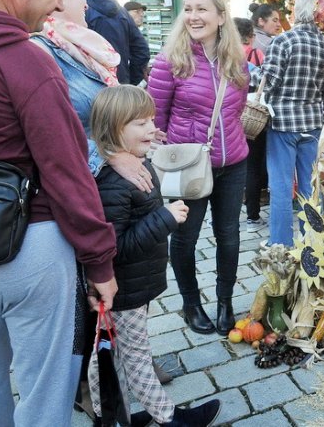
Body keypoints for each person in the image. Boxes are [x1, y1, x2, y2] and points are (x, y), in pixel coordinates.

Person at [0, 0, 117, 426]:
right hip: (27, 247)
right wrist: (101, 263)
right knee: (43, 395)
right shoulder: (24, 61)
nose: (57, 6)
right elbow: (66, 171)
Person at [31, 0, 173, 419]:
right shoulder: (45, 51)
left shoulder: (81, 45)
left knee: (112, 322)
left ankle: (115, 382)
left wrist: (133, 141)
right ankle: (103, 395)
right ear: (56, 6)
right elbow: (59, 133)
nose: (85, 0)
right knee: (101, 309)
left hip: (112, 184)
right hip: (89, 193)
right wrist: (112, 152)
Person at [89, 85, 220, 427]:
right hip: (124, 287)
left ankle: (110, 416)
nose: (151, 128)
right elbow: (116, 247)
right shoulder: (114, 184)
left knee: (112, 349)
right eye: (139, 123)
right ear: (114, 129)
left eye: (150, 120)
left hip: (133, 285)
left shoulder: (132, 168)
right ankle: (168, 417)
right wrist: (163, 219)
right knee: (134, 353)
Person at [148, 0, 249, 335]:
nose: (193, 16)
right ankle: (191, 304)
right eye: (188, 9)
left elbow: (238, 109)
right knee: (185, 237)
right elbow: (154, 119)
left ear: (221, 17)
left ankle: (225, 302)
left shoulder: (236, 60)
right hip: (187, 165)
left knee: (230, 236)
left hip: (233, 162)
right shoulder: (170, 60)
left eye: (202, 9)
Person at [253, 0, 324, 246]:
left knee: (280, 186)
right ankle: (312, 239)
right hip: (312, 123)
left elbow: (269, 82)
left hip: (283, 123)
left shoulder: (283, 42)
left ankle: (281, 243)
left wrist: (251, 73)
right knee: (310, 185)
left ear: (295, 14)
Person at [76, 0, 150, 85]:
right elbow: (141, 50)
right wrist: (129, 80)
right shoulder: (122, 12)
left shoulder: (81, 10)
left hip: (92, 84)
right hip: (120, 85)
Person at [234, 17, 268, 230]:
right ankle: (252, 217)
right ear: (250, 36)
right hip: (252, 118)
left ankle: (217, 216)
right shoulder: (255, 56)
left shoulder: (217, 58)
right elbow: (262, 83)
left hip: (227, 119)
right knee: (254, 166)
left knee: (226, 168)